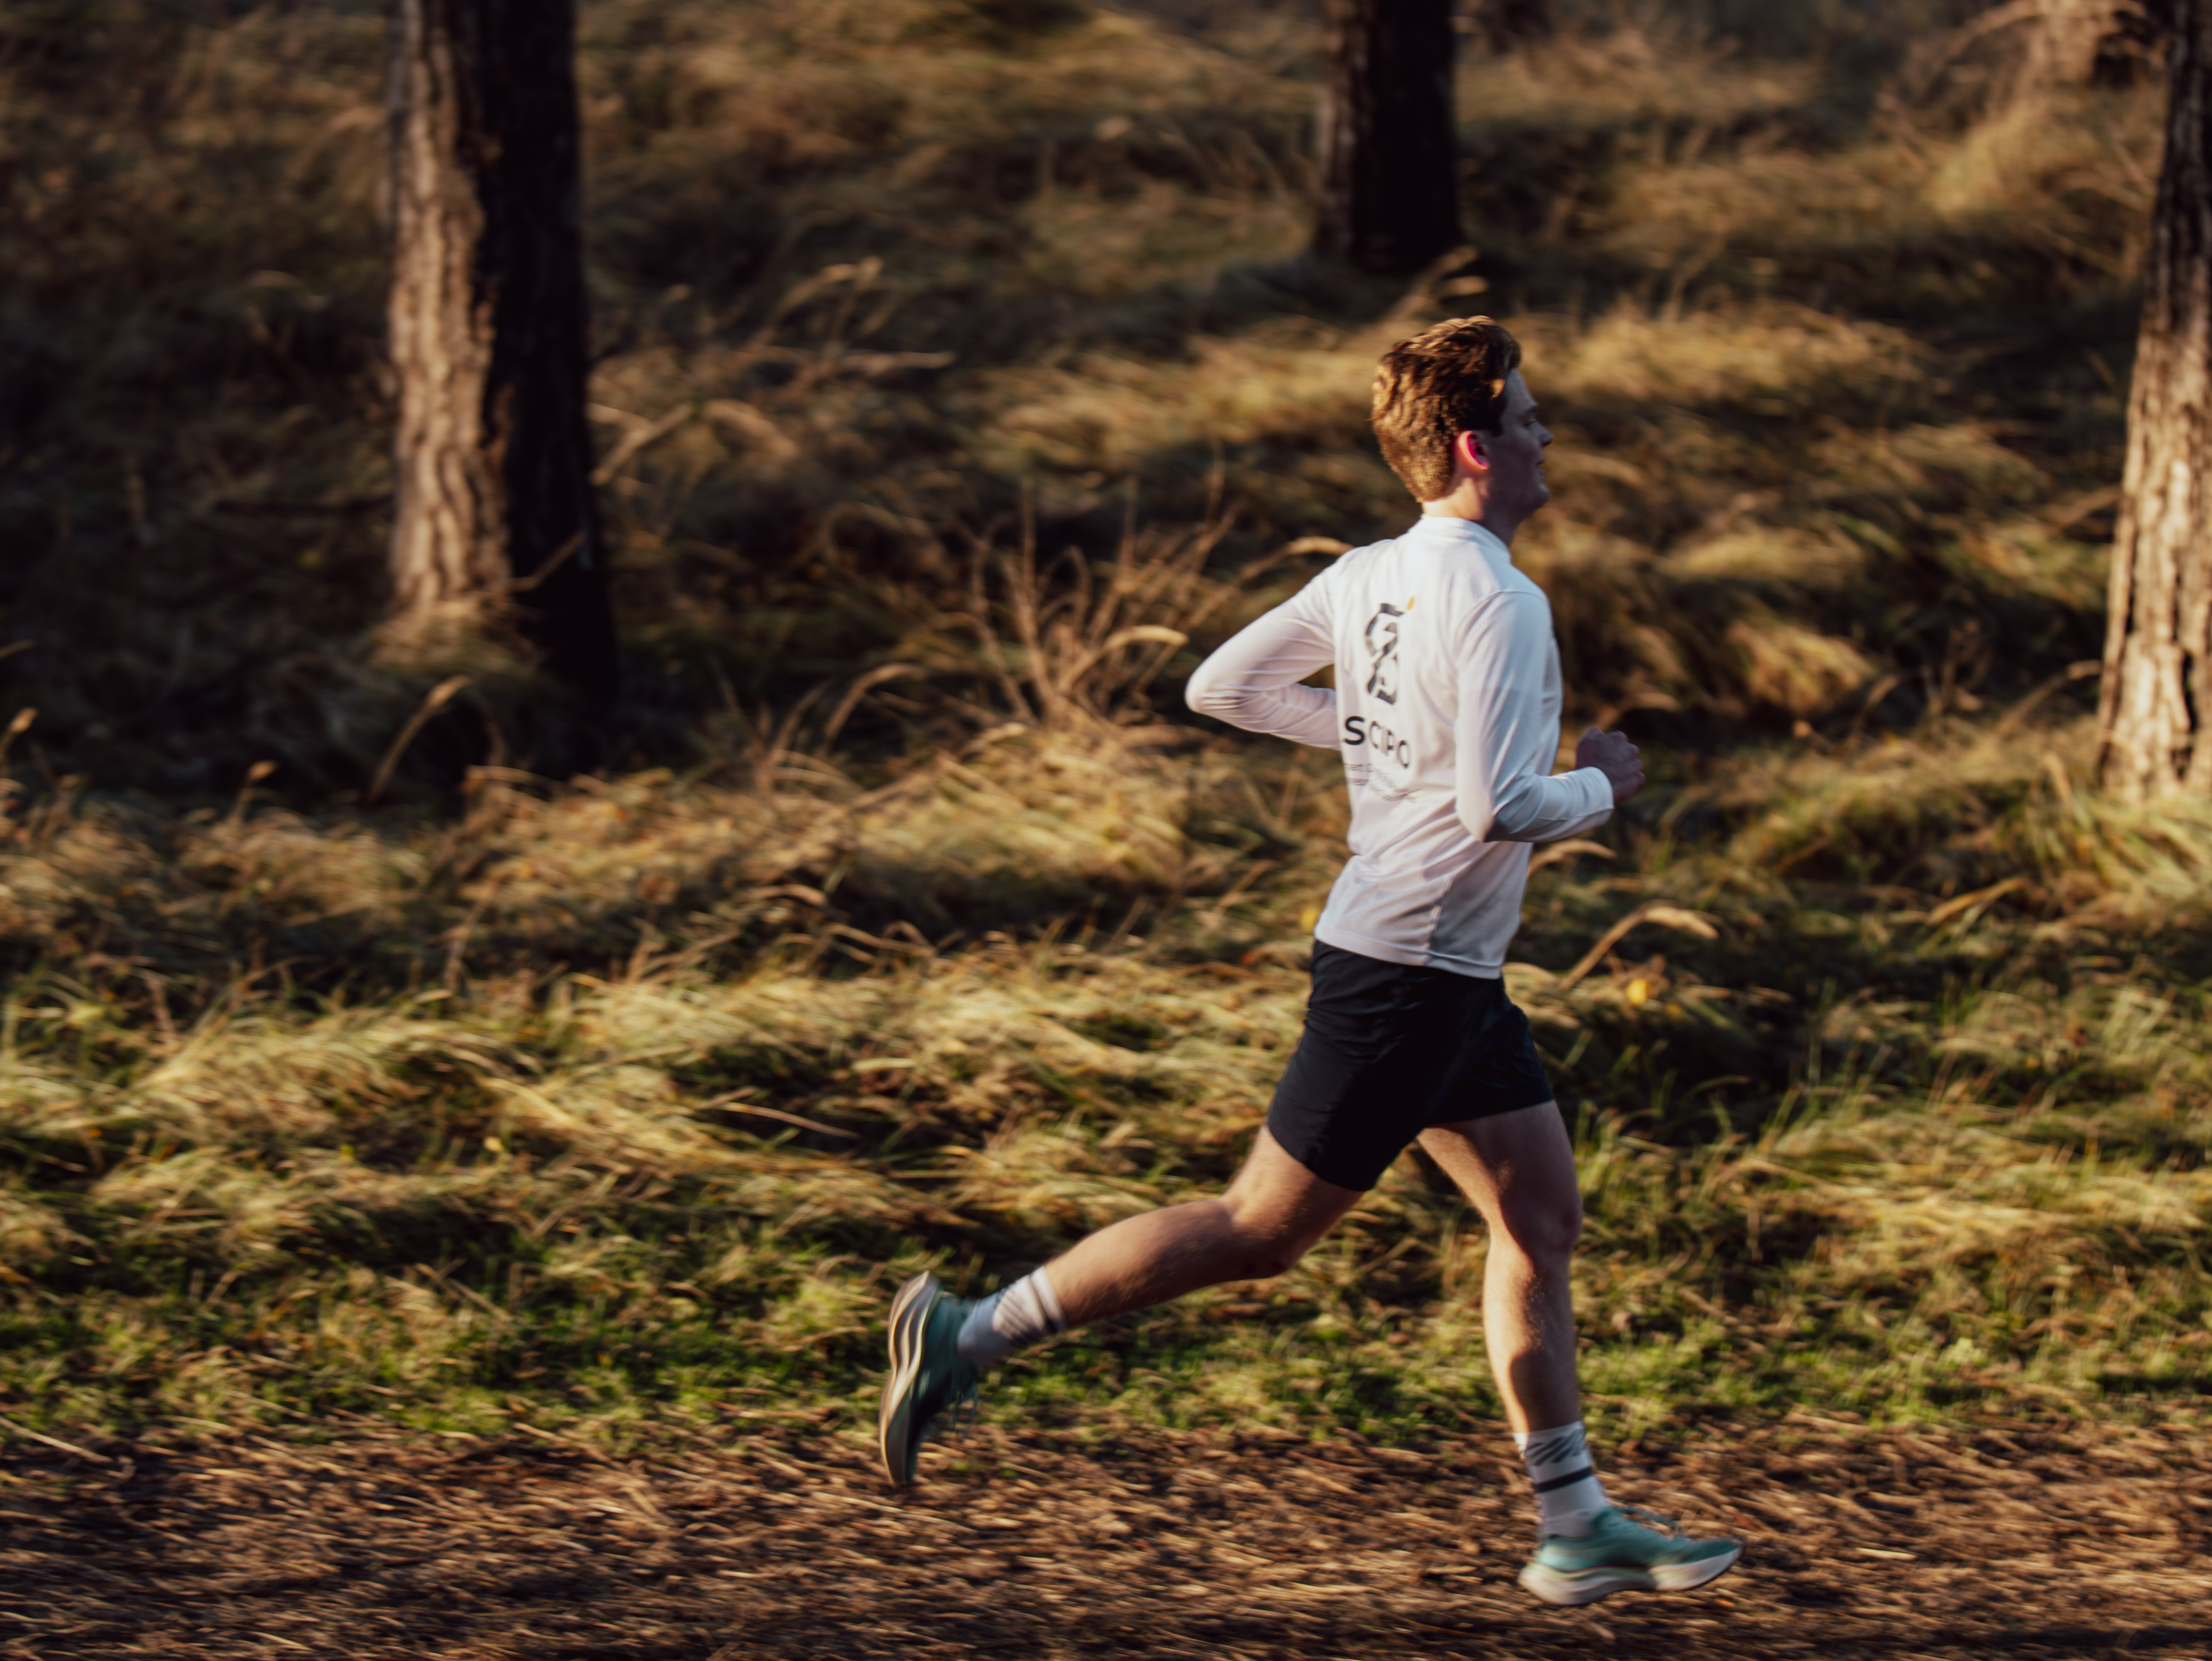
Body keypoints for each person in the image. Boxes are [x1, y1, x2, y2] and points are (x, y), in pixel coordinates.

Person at [875, 317, 1740, 1608]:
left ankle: (1575, 1526)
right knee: (1257, 1230)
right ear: (1474, 446)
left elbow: (1221, 688)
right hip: (1404, 977)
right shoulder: (1503, 599)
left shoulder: (1368, 573)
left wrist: (1387, 729)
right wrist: (1599, 785)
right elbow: (1504, 807)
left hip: (1449, 977)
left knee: (1540, 1219)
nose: (1546, 436)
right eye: (1529, 420)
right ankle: (965, 1337)